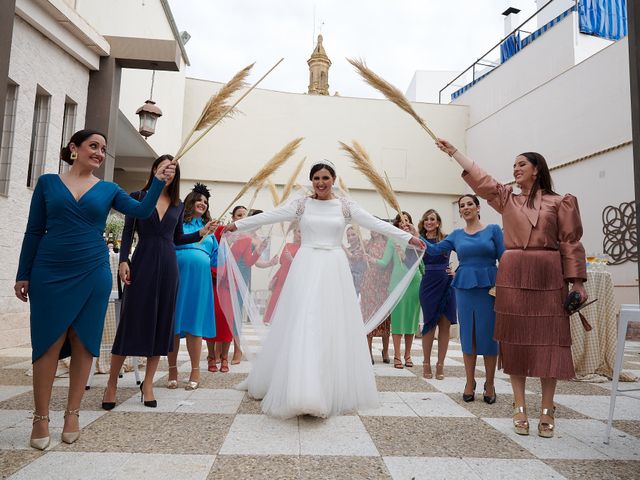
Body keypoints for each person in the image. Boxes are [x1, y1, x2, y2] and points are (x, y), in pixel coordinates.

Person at [222, 160, 425, 418]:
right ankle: (300, 388)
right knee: (304, 320)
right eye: (316, 178)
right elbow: (270, 215)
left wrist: (408, 237)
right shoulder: (301, 204)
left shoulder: (345, 206)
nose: (320, 182)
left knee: (328, 323)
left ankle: (326, 386)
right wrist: (237, 225)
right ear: (312, 180)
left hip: (333, 267)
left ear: (333, 179)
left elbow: (377, 224)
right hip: (306, 265)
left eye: (325, 177)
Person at [14, 129, 173, 450]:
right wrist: (23, 273)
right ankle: (40, 417)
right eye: (93, 146)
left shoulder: (109, 189)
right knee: (47, 343)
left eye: (103, 149)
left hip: (93, 270)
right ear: (74, 149)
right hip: (49, 269)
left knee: (84, 342)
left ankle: (72, 415)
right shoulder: (48, 183)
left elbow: (141, 212)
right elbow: (33, 231)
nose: (100, 153)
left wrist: (158, 181)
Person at [436, 139, 587, 438]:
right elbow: (482, 180)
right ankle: (519, 406)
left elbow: (571, 243)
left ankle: (547, 408)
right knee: (514, 341)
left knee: (551, 343)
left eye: (522, 164)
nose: (515, 169)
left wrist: (577, 283)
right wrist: (455, 153)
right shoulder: (507, 199)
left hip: (548, 273)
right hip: (513, 273)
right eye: (513, 165)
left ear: (537, 169)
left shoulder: (561, 202)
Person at [102, 156, 214, 410]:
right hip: (142, 262)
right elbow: (129, 230)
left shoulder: (177, 205)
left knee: (161, 324)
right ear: (154, 170)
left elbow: (177, 238)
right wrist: (123, 260)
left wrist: (201, 233)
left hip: (168, 267)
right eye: (163, 168)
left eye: (171, 170)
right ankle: (111, 384)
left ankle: (149, 383)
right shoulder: (138, 197)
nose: (167, 173)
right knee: (130, 321)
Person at [424, 195, 504, 403]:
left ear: (478, 207)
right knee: (467, 335)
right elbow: (433, 250)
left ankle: (490, 383)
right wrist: (415, 235)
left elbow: (504, 258)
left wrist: (503, 285)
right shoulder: (456, 235)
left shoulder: (493, 230)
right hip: (464, 287)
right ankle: (470, 382)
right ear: (459, 211)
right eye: (462, 206)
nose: (466, 207)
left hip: (490, 288)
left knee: (488, 334)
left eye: (470, 204)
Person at [166, 183, 218, 390]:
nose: (203, 204)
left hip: (200, 282)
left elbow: (215, 260)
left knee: (195, 326)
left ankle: (195, 370)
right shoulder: (179, 225)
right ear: (190, 202)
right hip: (177, 279)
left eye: (206, 202)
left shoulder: (211, 232)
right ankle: (172, 370)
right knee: (174, 326)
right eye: (200, 200)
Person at [377, 212, 424, 369]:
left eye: (407, 220)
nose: (404, 223)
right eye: (400, 221)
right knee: (397, 321)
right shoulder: (393, 240)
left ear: (410, 223)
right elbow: (384, 263)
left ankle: (408, 355)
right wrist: (369, 258)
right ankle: (397, 356)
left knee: (411, 320)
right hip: (397, 284)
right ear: (396, 225)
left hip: (414, 283)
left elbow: (422, 264)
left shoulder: (416, 242)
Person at [206, 205, 250, 373]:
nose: (241, 218)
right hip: (214, 279)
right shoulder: (222, 231)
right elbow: (211, 250)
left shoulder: (246, 239)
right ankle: (212, 356)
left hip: (231, 283)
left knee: (227, 319)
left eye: (245, 216)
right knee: (213, 316)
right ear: (232, 217)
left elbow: (247, 262)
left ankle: (225, 357)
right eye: (239, 215)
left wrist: (259, 250)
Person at [418, 209, 457, 380]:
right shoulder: (418, 240)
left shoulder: (447, 238)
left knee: (445, 325)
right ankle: (426, 363)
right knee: (429, 325)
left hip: (447, 283)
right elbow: (409, 260)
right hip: (428, 284)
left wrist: (457, 271)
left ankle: (440, 364)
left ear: (438, 222)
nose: (429, 222)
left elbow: (466, 253)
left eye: (432, 219)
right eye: (426, 219)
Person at [263, 224, 301, 325]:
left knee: (289, 300)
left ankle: (286, 322)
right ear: (294, 232)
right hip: (282, 275)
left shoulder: (303, 248)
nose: (301, 235)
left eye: (302, 232)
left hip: (293, 277)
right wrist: (274, 278)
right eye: (299, 232)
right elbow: (282, 263)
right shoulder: (287, 245)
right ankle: (270, 320)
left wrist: (292, 260)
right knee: (276, 297)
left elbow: (303, 266)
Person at [344, 226, 367, 293]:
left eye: (353, 234)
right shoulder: (347, 250)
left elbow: (355, 257)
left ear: (358, 235)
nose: (351, 237)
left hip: (363, 281)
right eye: (348, 235)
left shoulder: (363, 245)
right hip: (350, 281)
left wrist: (342, 246)